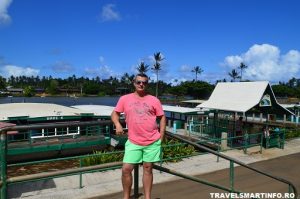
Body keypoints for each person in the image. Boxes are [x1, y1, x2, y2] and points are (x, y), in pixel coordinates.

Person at [111, 73, 166, 199]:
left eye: (144, 82)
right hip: (133, 141)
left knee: (148, 169)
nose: (141, 84)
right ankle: (126, 197)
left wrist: (161, 135)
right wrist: (118, 125)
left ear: (147, 84)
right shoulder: (124, 99)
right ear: (134, 83)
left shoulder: (154, 100)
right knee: (126, 169)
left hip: (152, 140)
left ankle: (147, 197)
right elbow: (115, 114)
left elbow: (162, 117)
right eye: (139, 82)